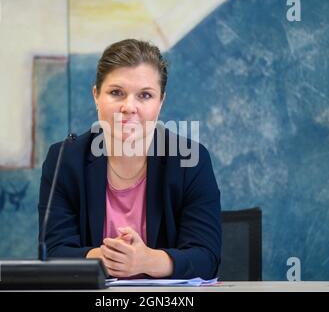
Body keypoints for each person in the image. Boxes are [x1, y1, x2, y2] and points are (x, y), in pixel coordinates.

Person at [38, 39, 222, 279]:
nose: (129, 107)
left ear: (161, 101)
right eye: (116, 93)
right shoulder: (64, 159)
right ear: (96, 95)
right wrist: (109, 258)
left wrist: (146, 261)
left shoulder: (190, 160)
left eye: (145, 95)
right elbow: (51, 253)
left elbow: (206, 257)